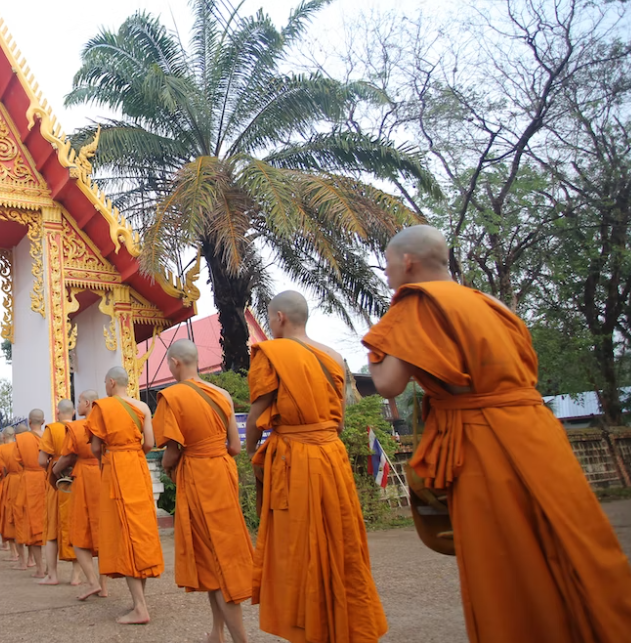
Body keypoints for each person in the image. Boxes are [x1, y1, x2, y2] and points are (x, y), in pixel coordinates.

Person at [362, 224, 631, 643]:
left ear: (408, 262)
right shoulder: (492, 305)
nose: (387, 274)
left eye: (389, 265)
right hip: (537, 433)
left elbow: (389, 385)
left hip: (483, 442)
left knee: (505, 560)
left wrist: (377, 349)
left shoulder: (416, 304)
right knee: (571, 542)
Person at [246, 290, 387, 643]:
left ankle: (310, 628)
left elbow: (255, 417)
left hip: (294, 459)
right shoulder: (335, 357)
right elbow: (338, 418)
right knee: (340, 540)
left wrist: (254, 458)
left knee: (298, 548)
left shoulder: (272, 354)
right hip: (331, 456)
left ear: (279, 318)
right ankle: (345, 625)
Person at [155, 340, 253, 643]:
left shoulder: (172, 397)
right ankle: (217, 632)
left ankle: (240, 639)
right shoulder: (222, 395)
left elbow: (171, 453)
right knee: (218, 554)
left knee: (218, 558)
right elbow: (235, 447)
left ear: (174, 363)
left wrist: (171, 467)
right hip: (222, 474)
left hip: (198, 478)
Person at [87, 366, 163, 625]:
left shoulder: (102, 407)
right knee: (140, 528)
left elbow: (96, 447)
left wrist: (111, 456)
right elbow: (150, 444)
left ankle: (140, 607)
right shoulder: (142, 408)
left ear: (110, 383)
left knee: (123, 530)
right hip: (138, 468)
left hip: (116, 468)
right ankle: (139, 602)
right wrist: (132, 450)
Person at [53, 389, 108, 600]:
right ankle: (103, 587)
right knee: (103, 533)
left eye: (80, 402)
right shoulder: (105, 424)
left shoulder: (76, 427)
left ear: (87, 403)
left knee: (78, 534)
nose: (78, 406)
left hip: (84, 478)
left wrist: (55, 471)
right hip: (104, 475)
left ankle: (92, 582)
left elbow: (66, 458)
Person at [37, 400, 80, 586]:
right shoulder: (80, 427)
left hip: (57, 483)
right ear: (74, 411)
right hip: (76, 480)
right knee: (77, 526)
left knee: (52, 529)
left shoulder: (51, 429)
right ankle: (76, 576)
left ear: (57, 411)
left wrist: (53, 468)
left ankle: (52, 575)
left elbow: (41, 460)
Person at [13, 411, 47, 575]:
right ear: (43, 421)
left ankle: (40, 568)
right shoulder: (50, 435)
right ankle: (52, 569)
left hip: (29, 482)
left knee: (32, 524)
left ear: (29, 421)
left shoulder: (22, 439)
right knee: (51, 523)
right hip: (49, 479)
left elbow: (17, 460)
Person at [0, 426, 21, 562]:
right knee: (23, 515)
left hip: (10, 481)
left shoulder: (2, 450)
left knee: (10, 516)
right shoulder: (20, 446)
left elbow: (3, 470)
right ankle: (30, 557)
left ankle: (14, 553)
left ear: (3, 437)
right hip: (23, 481)